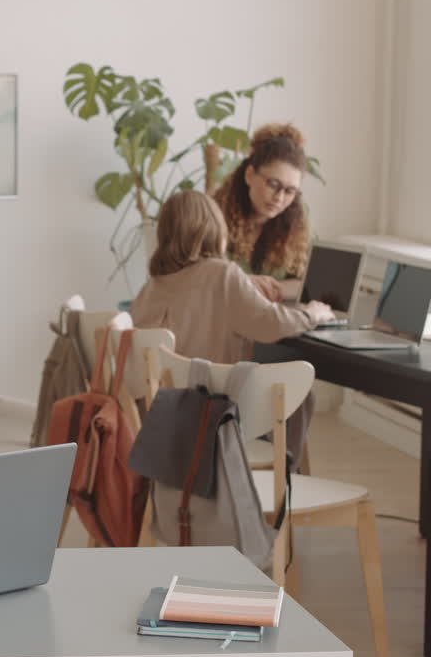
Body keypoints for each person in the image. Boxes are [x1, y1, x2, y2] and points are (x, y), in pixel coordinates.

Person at [130, 191, 332, 466]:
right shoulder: (222, 274)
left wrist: (245, 285)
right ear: (213, 229)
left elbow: (197, 296)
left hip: (157, 416)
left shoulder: (153, 285)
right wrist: (312, 313)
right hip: (208, 413)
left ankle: (251, 471)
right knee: (300, 396)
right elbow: (272, 325)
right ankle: (275, 482)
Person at [213, 123, 313, 303]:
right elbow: (198, 281)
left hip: (273, 322)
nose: (279, 198)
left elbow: (308, 283)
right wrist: (246, 284)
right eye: (273, 184)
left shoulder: (297, 220)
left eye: (290, 191)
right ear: (249, 175)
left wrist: (267, 288)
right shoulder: (213, 215)